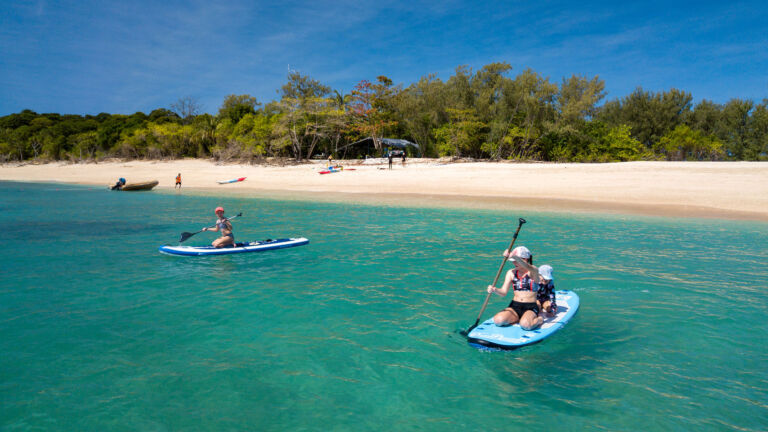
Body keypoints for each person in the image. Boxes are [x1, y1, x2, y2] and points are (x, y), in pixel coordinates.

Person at [486, 246, 543, 330]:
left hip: (530, 307)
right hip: (515, 306)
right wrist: (494, 290)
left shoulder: (533, 271)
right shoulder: (511, 273)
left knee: (525, 325)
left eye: (516, 261)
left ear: (525, 259)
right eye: (513, 261)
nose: (514, 263)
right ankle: (518, 318)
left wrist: (513, 256)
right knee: (498, 320)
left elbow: (527, 266)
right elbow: (503, 292)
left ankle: (539, 320)